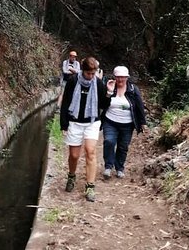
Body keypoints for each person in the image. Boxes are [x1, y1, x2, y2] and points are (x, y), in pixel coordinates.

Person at [60, 56, 109, 202]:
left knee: (91, 151)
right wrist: (64, 124)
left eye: (93, 74)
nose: (91, 77)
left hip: (92, 122)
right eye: (89, 73)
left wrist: (109, 93)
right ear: (83, 71)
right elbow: (66, 102)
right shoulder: (73, 81)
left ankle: (90, 186)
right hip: (75, 122)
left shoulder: (99, 84)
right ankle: (71, 176)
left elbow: (104, 105)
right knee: (74, 155)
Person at [101, 65, 146, 179]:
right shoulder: (109, 87)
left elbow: (139, 106)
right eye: (118, 77)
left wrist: (142, 122)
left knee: (123, 146)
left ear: (127, 78)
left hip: (127, 124)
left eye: (123, 77)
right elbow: (102, 104)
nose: (120, 80)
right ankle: (108, 166)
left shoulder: (132, 89)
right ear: (115, 77)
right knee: (109, 142)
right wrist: (109, 92)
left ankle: (119, 168)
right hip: (110, 121)